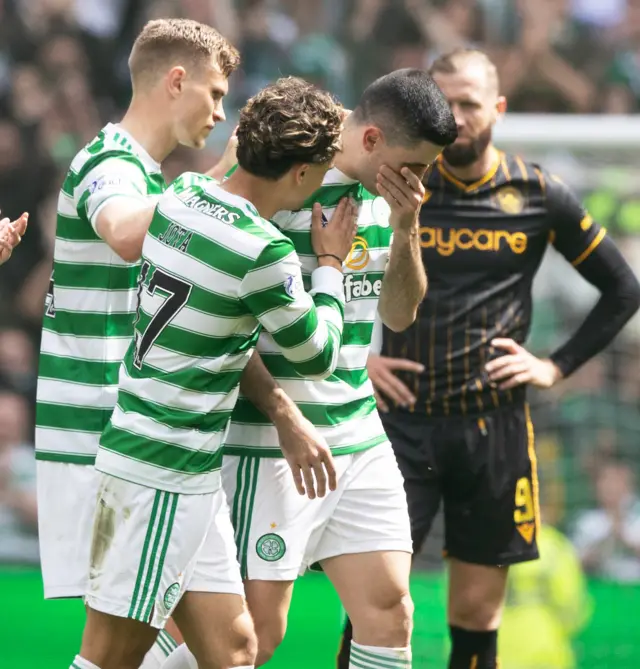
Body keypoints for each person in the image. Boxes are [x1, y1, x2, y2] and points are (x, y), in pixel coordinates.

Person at [338, 48, 640, 669]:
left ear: (498, 109)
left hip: (494, 428)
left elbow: (623, 289)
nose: (456, 117)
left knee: (476, 616)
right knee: (376, 605)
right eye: (443, 103)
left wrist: (554, 366)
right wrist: (357, 359)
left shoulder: (538, 193)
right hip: (401, 426)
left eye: (469, 103)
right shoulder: (398, 182)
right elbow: (321, 262)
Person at [72, 76, 356, 669]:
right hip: (160, 471)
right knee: (106, 660)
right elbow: (319, 353)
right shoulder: (263, 250)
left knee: (235, 651)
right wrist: (330, 263)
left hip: (184, 471)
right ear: (302, 174)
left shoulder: (185, 193)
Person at [216, 68, 458, 669]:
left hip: (358, 435)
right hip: (272, 444)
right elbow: (219, 318)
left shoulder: (392, 203)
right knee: (253, 637)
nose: (420, 180)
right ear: (371, 140)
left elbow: (399, 316)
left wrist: (408, 230)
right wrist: (283, 416)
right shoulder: (284, 181)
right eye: (415, 165)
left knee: (390, 609)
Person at [35, 18, 241, 668]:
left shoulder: (150, 177)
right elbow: (124, 231)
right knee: (120, 653)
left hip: (156, 437)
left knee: (233, 644)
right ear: (175, 80)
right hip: (112, 437)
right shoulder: (109, 161)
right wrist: (217, 176)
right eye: (213, 92)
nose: (220, 110)